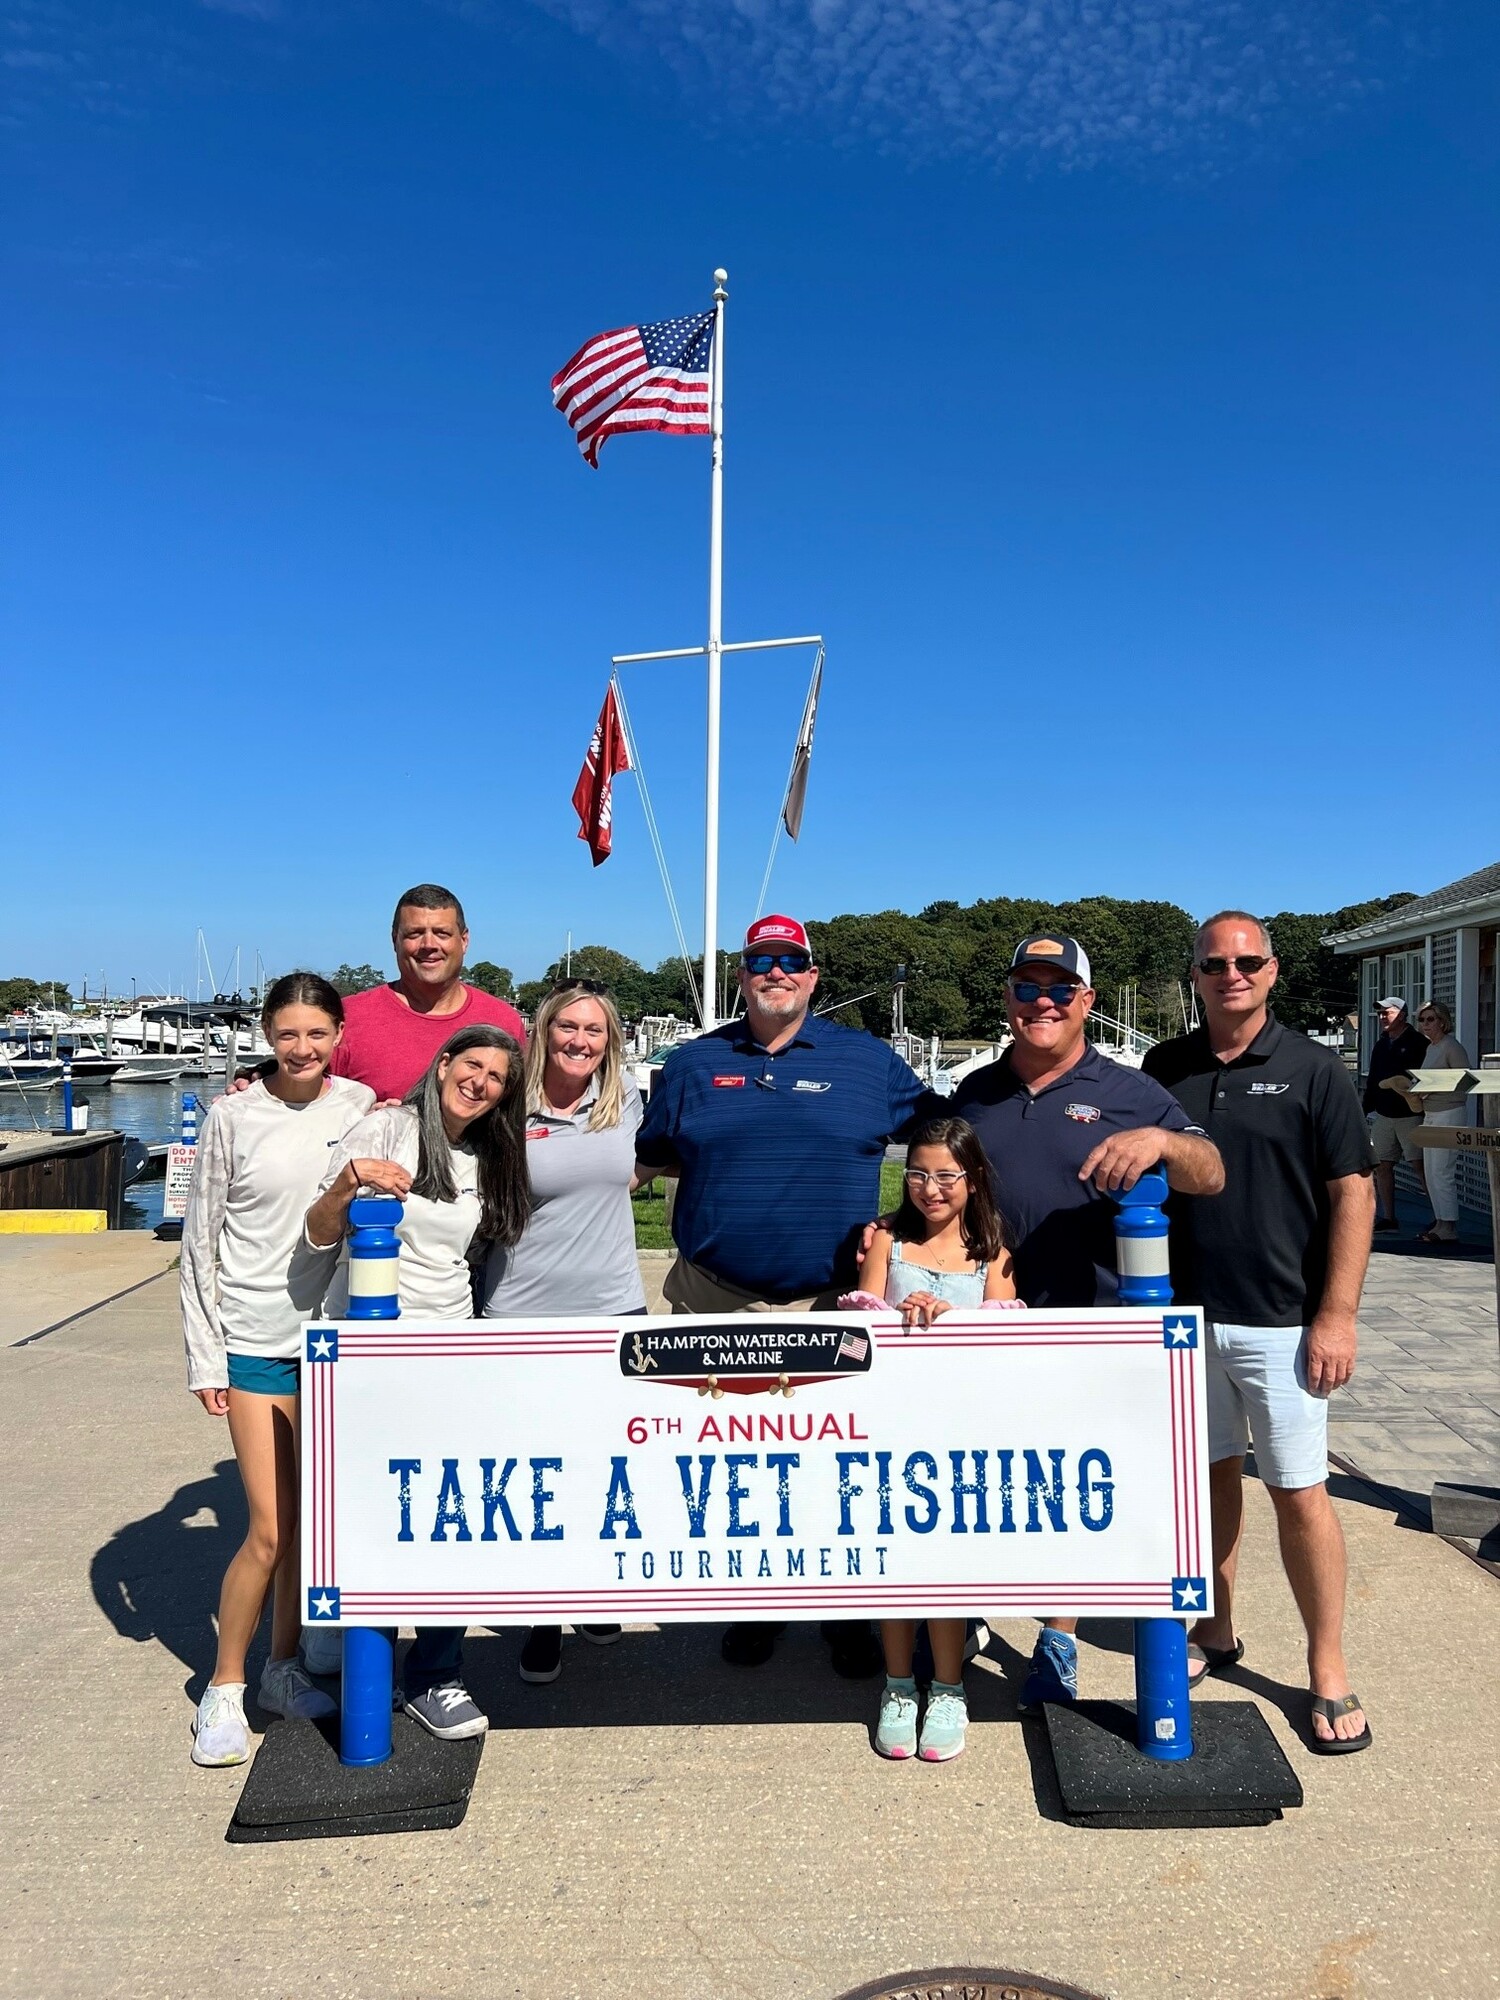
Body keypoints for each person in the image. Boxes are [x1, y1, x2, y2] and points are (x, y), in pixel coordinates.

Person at [634, 912, 935, 1674]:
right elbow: (646, 1157)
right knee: (734, 1465)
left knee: (837, 1463)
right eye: (761, 959)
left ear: (812, 975)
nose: (776, 972)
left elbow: (946, 1149)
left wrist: (902, 1229)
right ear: (742, 974)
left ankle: (844, 1612)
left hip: (832, 1300)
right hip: (713, 1295)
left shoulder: (869, 1062)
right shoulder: (695, 1065)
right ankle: (757, 1601)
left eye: (790, 960)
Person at [941, 931, 1225, 1712]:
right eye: (1027, 988)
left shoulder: (1129, 1089)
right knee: (983, 1482)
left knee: (1068, 1491)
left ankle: (1058, 1636)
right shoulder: (973, 1092)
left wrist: (1164, 1138)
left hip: (1092, 1330)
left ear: (1086, 1002)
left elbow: (1211, 1171)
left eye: (1059, 989)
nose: (1042, 1003)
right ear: (1007, 1000)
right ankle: (962, 1615)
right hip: (988, 1325)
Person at [1143, 911, 1376, 1752]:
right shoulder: (1164, 1066)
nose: (1230, 974)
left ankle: (1328, 1667)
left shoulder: (1316, 1069)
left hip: (1284, 1323)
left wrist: (1337, 1314)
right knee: (1209, 1484)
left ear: (1272, 971)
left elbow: (1354, 1191)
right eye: (1214, 963)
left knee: (1301, 1493)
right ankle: (1215, 1630)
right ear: (1196, 976)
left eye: (1246, 961)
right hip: (1184, 1318)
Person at [306, 1024, 530, 1740]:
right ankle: (347, 1639)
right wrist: (353, 1180)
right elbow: (315, 1232)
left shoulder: (487, 1154)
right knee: (363, 1504)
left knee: (445, 1510)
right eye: (472, 1065)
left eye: (497, 1076)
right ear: (442, 1067)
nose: (481, 1082)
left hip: (446, 1343)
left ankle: (435, 1673)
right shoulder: (388, 1127)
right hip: (367, 1342)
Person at [179, 973, 376, 1766]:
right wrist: (205, 1355)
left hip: (330, 1344)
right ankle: (222, 1688)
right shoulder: (231, 1115)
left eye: (317, 1034)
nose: (302, 1049)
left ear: (338, 1035)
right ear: (266, 1034)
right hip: (254, 1339)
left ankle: (280, 1669)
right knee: (266, 1528)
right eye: (287, 1034)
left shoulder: (361, 1106)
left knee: (306, 1528)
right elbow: (199, 1242)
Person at [483, 979, 649, 1684]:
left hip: (613, 1310)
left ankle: (596, 1590)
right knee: (538, 1473)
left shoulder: (629, 1103)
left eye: (595, 1030)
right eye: (567, 1027)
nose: (580, 1041)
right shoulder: (505, 1107)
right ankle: (544, 1613)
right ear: (543, 1031)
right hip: (520, 1313)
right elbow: (422, 1118)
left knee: (606, 1466)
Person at [852, 1117, 1019, 1763]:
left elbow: (1006, 1342)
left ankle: (948, 1687)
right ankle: (898, 1686)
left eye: (946, 1175)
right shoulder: (886, 1242)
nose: (930, 1188)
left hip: (960, 1431)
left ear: (972, 1180)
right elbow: (858, 1331)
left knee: (947, 1567)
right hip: (891, 1427)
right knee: (896, 1566)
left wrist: (960, 1323)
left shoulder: (994, 1254)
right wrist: (897, 1318)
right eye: (917, 1173)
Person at [329, 884, 527, 1101]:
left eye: (442, 933)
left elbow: (516, 1115)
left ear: (464, 940)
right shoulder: (346, 1018)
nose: (429, 944)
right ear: (395, 939)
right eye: (415, 933)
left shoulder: (503, 1021)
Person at [1385, 1000, 1471, 1246]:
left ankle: (1449, 1227)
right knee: (1432, 1172)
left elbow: (1465, 1081)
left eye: (1430, 1019)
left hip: (1449, 1112)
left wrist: (1431, 1088)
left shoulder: (1451, 1046)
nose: (1425, 1024)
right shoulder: (1432, 1048)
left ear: (1443, 1021)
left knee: (1442, 1171)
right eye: (1422, 1020)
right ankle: (1440, 1221)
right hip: (1430, 1112)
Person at [1362, 997, 1427, 1232]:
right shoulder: (1381, 1044)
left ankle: (1439, 1218)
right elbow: (1373, 1080)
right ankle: (1389, 1217)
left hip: (1410, 1114)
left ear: (1401, 1014)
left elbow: (1423, 1079)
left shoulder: (1418, 1043)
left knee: (1420, 1166)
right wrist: (1365, 1107)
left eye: (1386, 1013)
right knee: (1382, 1166)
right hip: (1384, 1114)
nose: (1381, 1018)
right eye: (1379, 1014)